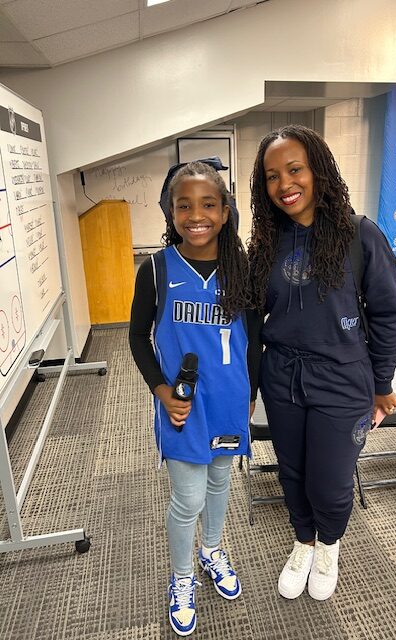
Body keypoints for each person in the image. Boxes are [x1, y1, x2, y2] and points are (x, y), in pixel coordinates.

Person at [248, 125, 396, 602]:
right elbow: (254, 323)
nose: (285, 184)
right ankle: (303, 542)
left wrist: (381, 384)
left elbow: (387, 315)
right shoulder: (266, 241)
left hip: (342, 378)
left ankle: (329, 545)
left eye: (294, 170)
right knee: (292, 471)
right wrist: (249, 387)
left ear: (317, 170)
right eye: (272, 176)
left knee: (331, 481)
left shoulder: (359, 234)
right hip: (283, 379)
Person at [129, 161, 252, 636]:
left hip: (230, 401)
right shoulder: (157, 269)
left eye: (207, 204)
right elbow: (139, 336)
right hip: (181, 404)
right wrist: (162, 392)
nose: (195, 215)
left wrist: (251, 397)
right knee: (188, 497)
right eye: (184, 206)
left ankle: (212, 551)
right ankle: (182, 578)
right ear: (171, 212)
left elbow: (254, 339)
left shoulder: (241, 269)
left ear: (224, 211)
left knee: (220, 482)